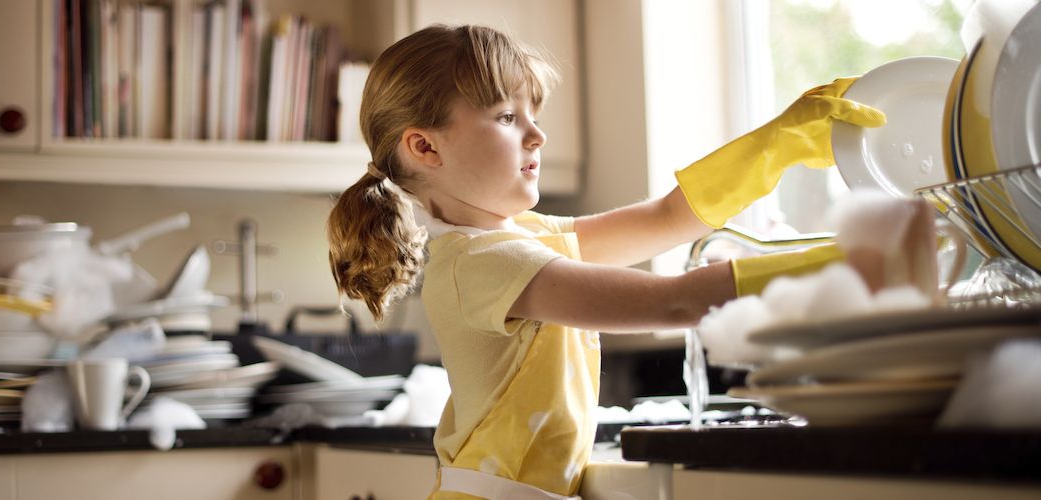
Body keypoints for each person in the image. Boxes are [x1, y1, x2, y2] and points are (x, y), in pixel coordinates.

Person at [326, 24, 890, 499]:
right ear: (425, 147)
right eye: (506, 117)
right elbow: (673, 302)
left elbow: (665, 220)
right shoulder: (477, 263)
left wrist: (774, 144)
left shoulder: (524, 238)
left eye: (533, 114)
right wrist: (845, 262)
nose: (537, 135)